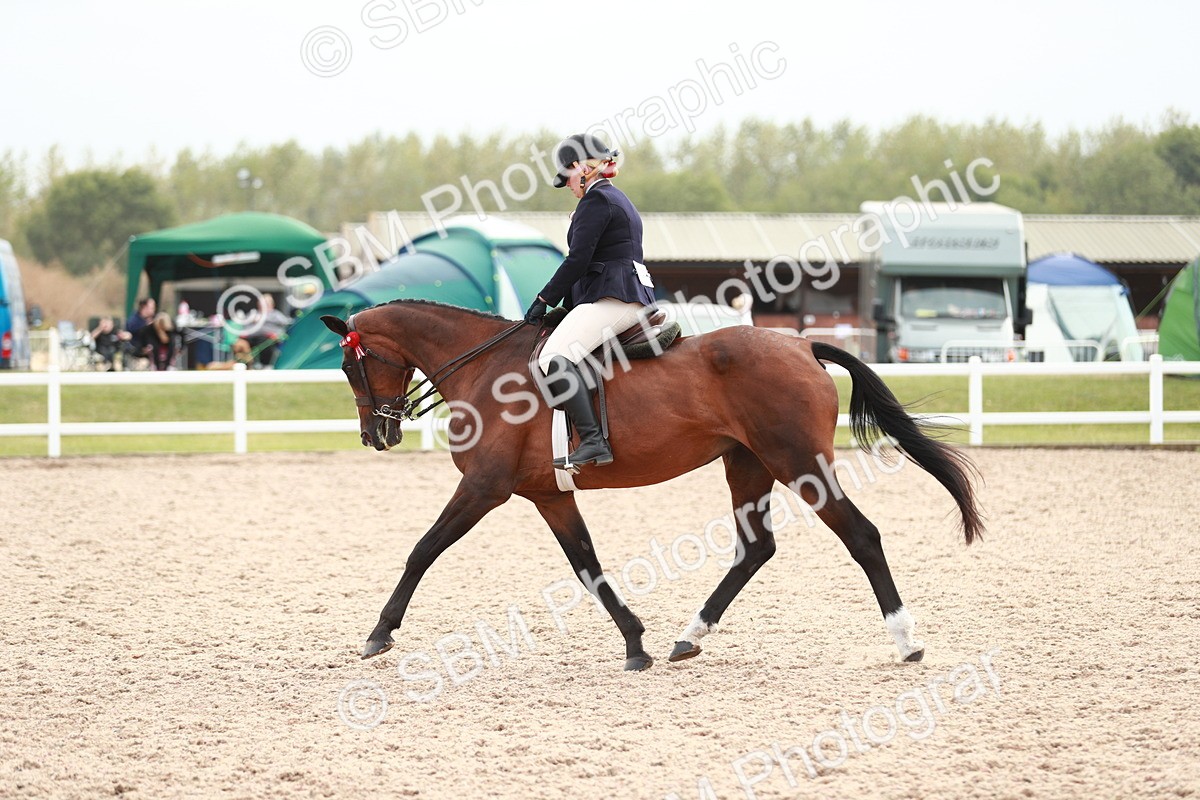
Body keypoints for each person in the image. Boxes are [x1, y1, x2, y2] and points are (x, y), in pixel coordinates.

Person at [523, 133, 657, 470]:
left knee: (554, 355)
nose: (567, 185)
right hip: (621, 293)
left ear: (581, 168)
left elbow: (578, 261)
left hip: (616, 295)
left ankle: (593, 440)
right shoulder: (613, 198)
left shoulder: (596, 202)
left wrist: (544, 298)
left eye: (567, 176)